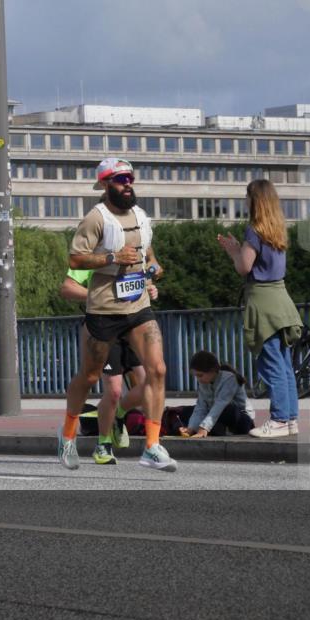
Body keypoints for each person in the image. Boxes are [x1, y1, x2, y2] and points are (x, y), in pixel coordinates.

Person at [58, 157, 177, 471]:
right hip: (105, 311)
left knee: (158, 370)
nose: (128, 184)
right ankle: (68, 435)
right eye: (121, 180)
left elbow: (148, 255)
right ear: (105, 184)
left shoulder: (140, 216)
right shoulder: (95, 219)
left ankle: (151, 446)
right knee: (91, 376)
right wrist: (111, 257)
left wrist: (154, 268)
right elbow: (75, 259)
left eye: (130, 179)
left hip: (138, 307)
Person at [217, 179, 302, 438]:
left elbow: (244, 267)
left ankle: (277, 420)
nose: (245, 201)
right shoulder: (277, 229)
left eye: (247, 197)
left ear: (254, 201)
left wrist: (233, 251)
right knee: (285, 365)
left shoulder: (254, 230)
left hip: (263, 302)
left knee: (272, 364)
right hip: (281, 299)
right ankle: (289, 419)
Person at [58, 263, 159, 464]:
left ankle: (120, 415)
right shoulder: (98, 255)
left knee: (150, 382)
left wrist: (149, 287)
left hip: (134, 323)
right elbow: (67, 288)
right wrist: (102, 295)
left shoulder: (135, 246)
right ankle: (102, 445)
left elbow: (151, 269)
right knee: (113, 390)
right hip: (105, 326)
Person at [181, 350, 255, 437]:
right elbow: (200, 407)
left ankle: (214, 430)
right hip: (218, 417)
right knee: (186, 411)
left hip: (242, 420)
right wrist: (191, 428)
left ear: (212, 371)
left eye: (200, 375)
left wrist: (204, 427)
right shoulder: (203, 383)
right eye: (196, 376)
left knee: (227, 409)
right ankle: (209, 430)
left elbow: (220, 405)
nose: (198, 379)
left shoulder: (229, 379)